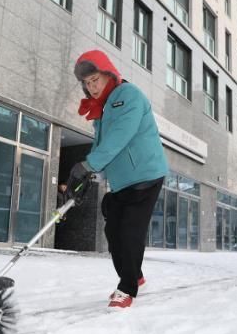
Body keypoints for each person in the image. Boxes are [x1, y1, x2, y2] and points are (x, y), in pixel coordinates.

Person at [67, 49, 168, 308]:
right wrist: (87, 175)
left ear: (108, 74)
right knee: (113, 231)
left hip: (145, 175)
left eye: (95, 80)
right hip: (122, 181)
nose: (92, 87)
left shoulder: (127, 95)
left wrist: (87, 165)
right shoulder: (103, 107)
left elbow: (120, 136)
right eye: (87, 83)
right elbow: (102, 145)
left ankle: (127, 288)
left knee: (130, 231)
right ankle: (135, 275)